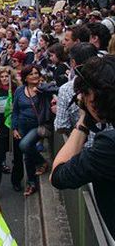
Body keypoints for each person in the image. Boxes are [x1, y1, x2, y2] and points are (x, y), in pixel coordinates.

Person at [51, 56, 115, 238]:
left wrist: (83, 122)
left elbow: (58, 175)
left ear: (93, 97)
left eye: (85, 94)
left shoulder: (108, 146)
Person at [11, 65, 50, 196]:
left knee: (24, 145)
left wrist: (43, 89)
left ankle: (42, 162)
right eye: (31, 74)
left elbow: (55, 91)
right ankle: (31, 183)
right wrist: (14, 127)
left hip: (37, 126)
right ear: (25, 77)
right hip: (22, 126)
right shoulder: (20, 91)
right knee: (27, 155)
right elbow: (15, 110)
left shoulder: (43, 89)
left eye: (36, 73)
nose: (34, 76)